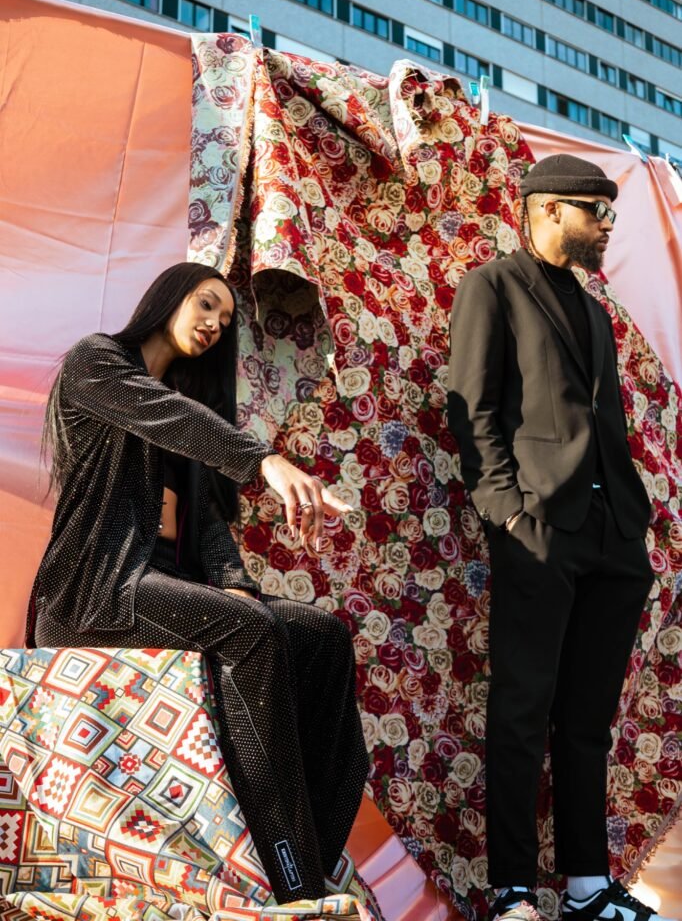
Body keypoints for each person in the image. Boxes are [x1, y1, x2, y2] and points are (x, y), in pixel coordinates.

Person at [27, 262, 369, 906]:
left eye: (226, 320)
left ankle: (315, 860)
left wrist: (235, 583)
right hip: (96, 590)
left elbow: (205, 520)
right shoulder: (97, 363)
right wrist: (265, 462)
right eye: (207, 304)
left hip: (162, 583)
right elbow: (172, 417)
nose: (214, 324)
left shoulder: (181, 403)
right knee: (252, 631)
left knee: (323, 637)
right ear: (167, 298)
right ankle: (290, 878)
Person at [447, 156, 674, 921]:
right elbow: (473, 409)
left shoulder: (597, 311)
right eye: (594, 211)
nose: (607, 225)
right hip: (539, 527)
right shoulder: (492, 287)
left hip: (615, 537)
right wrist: (509, 514)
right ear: (546, 210)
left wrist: (635, 524)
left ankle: (586, 890)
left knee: (587, 723)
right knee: (520, 710)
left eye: (610, 212)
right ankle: (512, 889)